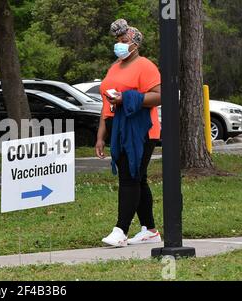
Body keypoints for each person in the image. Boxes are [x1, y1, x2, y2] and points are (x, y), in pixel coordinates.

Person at [96, 19, 162, 247]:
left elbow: (158, 95)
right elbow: (107, 104)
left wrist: (128, 98)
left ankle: (120, 230)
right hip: (117, 127)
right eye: (117, 41)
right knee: (138, 179)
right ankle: (151, 230)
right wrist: (101, 135)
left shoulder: (145, 65)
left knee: (129, 177)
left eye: (124, 41)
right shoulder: (114, 66)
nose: (119, 45)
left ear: (135, 44)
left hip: (140, 130)